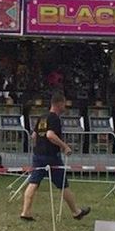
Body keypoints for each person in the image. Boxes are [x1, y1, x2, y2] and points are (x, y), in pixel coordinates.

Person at [20, 90, 90, 221]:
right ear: (58, 104)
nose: (65, 107)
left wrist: (38, 147)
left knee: (33, 183)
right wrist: (65, 146)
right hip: (51, 157)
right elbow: (50, 135)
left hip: (38, 155)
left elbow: (33, 136)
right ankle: (76, 212)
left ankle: (26, 212)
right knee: (63, 184)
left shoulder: (42, 117)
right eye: (64, 104)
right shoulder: (54, 118)